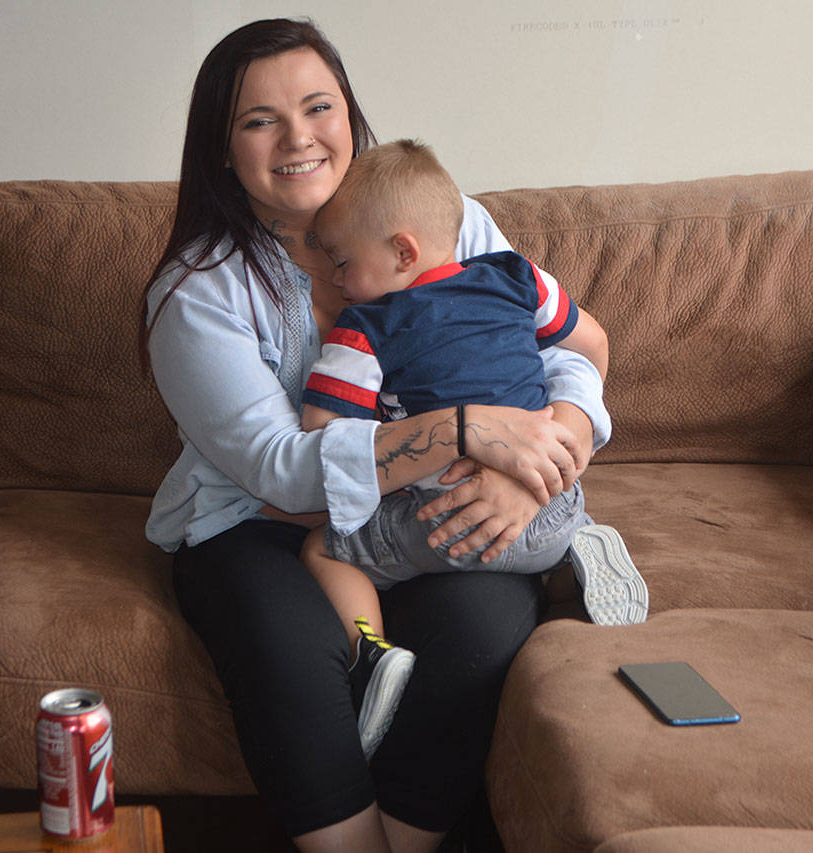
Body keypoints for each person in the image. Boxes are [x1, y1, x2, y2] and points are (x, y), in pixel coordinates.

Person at [140, 18, 615, 852]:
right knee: (293, 655)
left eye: (317, 107)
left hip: (436, 500)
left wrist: (539, 453)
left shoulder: (445, 221)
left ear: (349, 116)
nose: (297, 138)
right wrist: (463, 430)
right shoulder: (199, 291)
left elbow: (564, 354)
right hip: (256, 523)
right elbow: (285, 473)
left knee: (483, 630)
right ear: (222, 148)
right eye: (259, 120)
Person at [297, 139, 648, 759]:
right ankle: (579, 549)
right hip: (553, 502)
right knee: (547, 532)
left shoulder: (365, 328)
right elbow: (592, 343)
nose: (335, 279)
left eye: (343, 262)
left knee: (323, 547)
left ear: (403, 251)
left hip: (457, 526)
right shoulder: (516, 276)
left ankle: (370, 655)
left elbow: (323, 439)